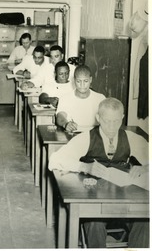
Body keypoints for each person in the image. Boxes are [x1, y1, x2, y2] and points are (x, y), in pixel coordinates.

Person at [49, 98, 149, 248]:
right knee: (94, 222)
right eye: (107, 121)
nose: (111, 126)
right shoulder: (86, 138)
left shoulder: (130, 138)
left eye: (116, 121)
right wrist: (84, 167)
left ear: (122, 118)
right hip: (95, 200)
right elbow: (54, 160)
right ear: (98, 118)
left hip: (124, 200)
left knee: (146, 222)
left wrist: (145, 167)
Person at [56, 65, 105, 132]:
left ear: (90, 80)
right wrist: (66, 124)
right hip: (73, 136)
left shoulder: (100, 98)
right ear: (74, 80)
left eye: (85, 81)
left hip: (95, 137)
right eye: (79, 81)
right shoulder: (65, 99)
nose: (82, 85)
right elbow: (60, 116)